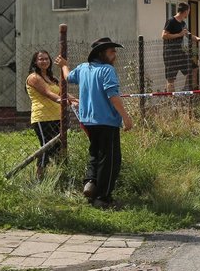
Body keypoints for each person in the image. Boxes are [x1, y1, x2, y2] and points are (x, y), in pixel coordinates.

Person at [56, 37, 134, 209]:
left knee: (95, 153)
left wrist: (63, 65)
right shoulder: (107, 70)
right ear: (101, 54)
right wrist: (126, 117)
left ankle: (90, 181)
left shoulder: (84, 68)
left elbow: (68, 77)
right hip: (107, 121)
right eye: (111, 51)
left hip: (88, 120)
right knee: (111, 160)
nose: (115, 54)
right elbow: (113, 96)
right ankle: (103, 198)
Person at [25, 50, 77, 179]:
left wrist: (76, 100)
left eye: (46, 59)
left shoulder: (52, 78)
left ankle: (62, 177)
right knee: (46, 148)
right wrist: (64, 101)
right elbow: (49, 93)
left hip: (57, 117)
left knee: (59, 148)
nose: (44, 61)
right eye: (41, 59)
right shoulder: (34, 77)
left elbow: (62, 93)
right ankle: (40, 178)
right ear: (35, 62)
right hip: (42, 118)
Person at [163, 2, 200, 91]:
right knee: (171, 79)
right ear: (185, 11)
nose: (189, 13)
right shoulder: (171, 21)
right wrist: (179, 34)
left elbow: (189, 35)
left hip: (180, 52)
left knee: (194, 68)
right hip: (170, 53)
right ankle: (171, 101)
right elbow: (164, 35)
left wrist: (199, 39)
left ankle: (186, 89)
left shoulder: (183, 23)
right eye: (189, 11)